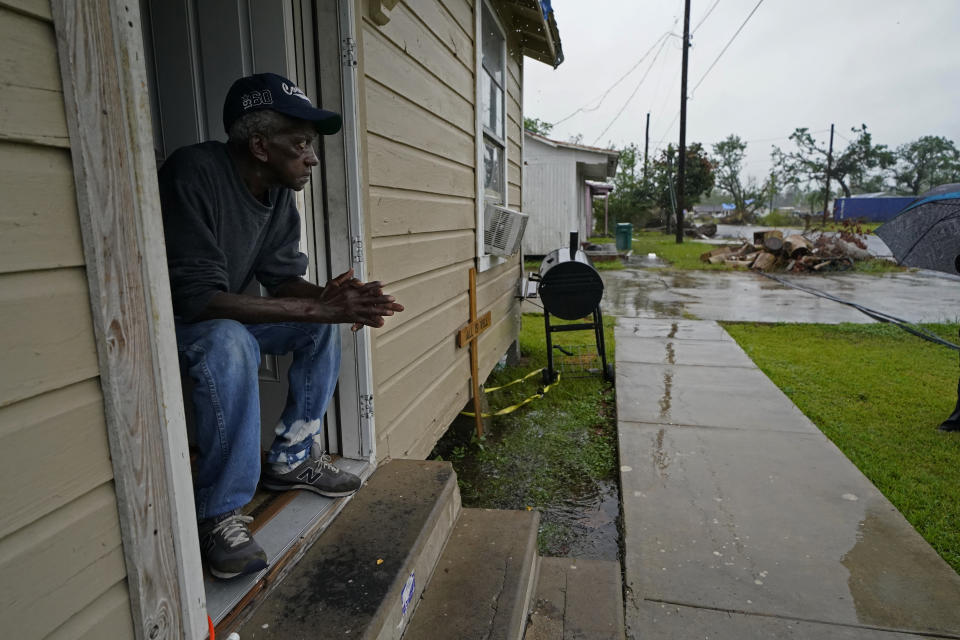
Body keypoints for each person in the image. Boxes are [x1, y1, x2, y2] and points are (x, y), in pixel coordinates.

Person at [158, 73, 403, 579]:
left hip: (218, 315)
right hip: (168, 326)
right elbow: (198, 301)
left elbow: (282, 277)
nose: (311, 157)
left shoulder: (276, 195)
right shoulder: (194, 173)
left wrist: (334, 301)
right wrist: (319, 307)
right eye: (301, 144)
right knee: (230, 340)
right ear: (259, 146)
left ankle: (291, 457)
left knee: (317, 327)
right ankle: (219, 513)